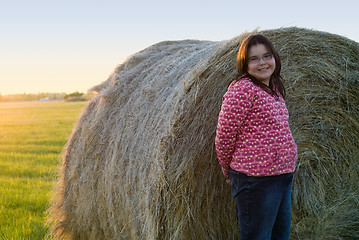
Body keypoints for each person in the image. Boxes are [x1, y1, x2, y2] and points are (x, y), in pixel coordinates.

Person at [215, 34, 297, 240]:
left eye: (266, 56)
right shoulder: (243, 89)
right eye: (254, 58)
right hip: (256, 181)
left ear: (274, 58)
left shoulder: (274, 88)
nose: (262, 63)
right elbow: (224, 136)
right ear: (245, 63)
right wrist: (228, 170)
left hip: (283, 176)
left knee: (280, 236)